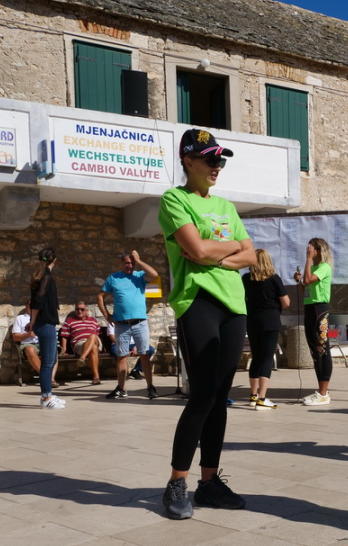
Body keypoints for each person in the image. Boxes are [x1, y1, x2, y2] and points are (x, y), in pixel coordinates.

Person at [157, 128, 256, 520]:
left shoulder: (227, 208)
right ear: (188, 161)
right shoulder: (173, 200)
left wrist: (216, 253)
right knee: (201, 394)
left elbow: (251, 255)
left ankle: (209, 482)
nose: (217, 166)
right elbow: (195, 250)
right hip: (197, 301)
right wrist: (228, 249)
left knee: (220, 397)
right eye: (210, 159)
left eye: (220, 160)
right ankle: (176, 482)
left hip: (234, 305)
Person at [97, 251, 159, 399]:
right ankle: (121, 388)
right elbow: (100, 296)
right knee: (121, 357)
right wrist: (107, 316)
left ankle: (150, 387)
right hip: (122, 325)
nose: (129, 265)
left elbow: (155, 275)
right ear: (121, 263)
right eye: (127, 262)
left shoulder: (140, 276)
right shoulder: (114, 278)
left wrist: (139, 260)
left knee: (144, 354)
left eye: (132, 262)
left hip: (140, 323)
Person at [243, 249, 289, 409]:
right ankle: (262, 398)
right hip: (270, 321)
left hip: (253, 321)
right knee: (266, 359)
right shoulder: (274, 279)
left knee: (256, 357)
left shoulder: (245, 279)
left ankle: (253, 395)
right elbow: (286, 302)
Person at [294, 238, 334, 406]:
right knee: (314, 353)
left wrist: (308, 260)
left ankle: (324, 393)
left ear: (319, 250)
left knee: (322, 350)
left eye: (311, 249)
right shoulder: (313, 268)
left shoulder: (324, 267)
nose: (308, 251)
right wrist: (299, 282)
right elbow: (306, 288)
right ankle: (320, 392)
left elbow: (309, 280)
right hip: (310, 308)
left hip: (320, 310)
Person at [27, 248, 65, 409]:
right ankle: (46, 398)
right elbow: (38, 300)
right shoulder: (46, 278)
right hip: (45, 323)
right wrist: (33, 320)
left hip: (44, 323)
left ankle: (48, 393)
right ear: (54, 260)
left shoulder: (39, 276)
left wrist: (33, 321)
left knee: (51, 360)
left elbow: (37, 300)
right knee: (48, 363)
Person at [12, 301, 60, 386]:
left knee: (53, 351)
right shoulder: (20, 318)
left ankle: (51, 379)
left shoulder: (42, 318)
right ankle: (45, 377)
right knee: (30, 349)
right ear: (26, 306)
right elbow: (15, 337)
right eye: (30, 305)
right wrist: (28, 334)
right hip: (28, 344)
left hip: (42, 342)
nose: (32, 307)